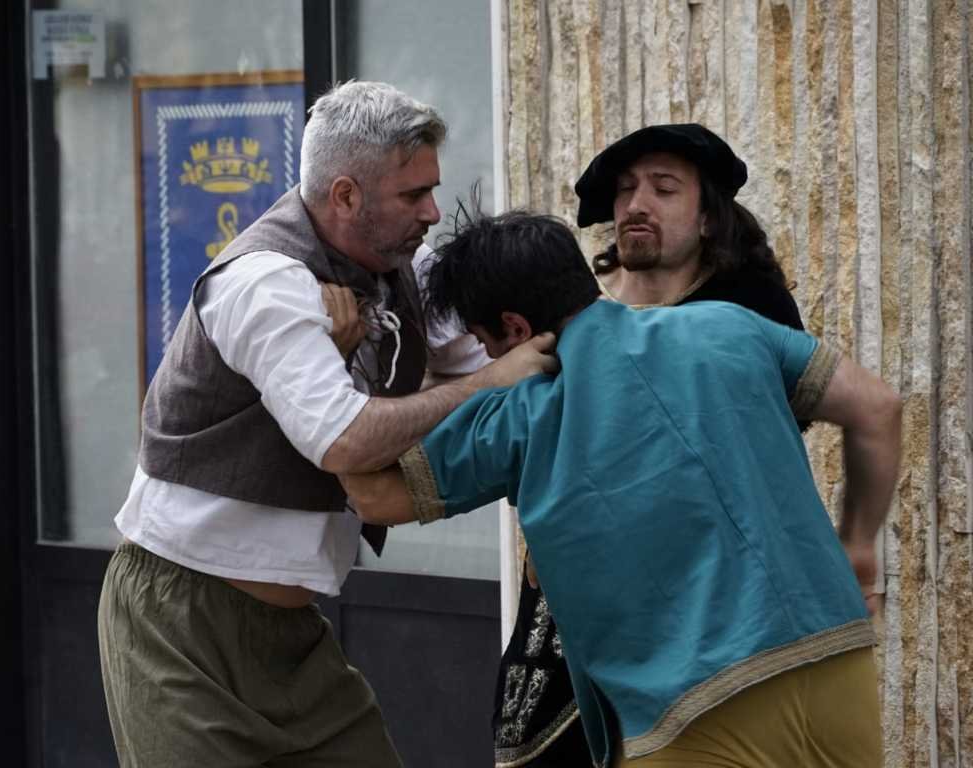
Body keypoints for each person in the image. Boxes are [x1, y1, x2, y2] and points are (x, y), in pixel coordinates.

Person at [96, 81, 557, 768]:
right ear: (345, 196)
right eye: (413, 195)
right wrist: (485, 385)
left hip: (292, 630)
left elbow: (504, 359)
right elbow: (343, 438)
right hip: (180, 619)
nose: (433, 212)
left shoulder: (405, 266)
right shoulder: (264, 283)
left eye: (432, 190)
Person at [341, 210, 902, 768]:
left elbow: (374, 495)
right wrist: (858, 545)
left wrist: (351, 361)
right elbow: (878, 407)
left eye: (484, 344)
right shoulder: (730, 326)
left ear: (515, 330)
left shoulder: (523, 413)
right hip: (836, 658)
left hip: (695, 705)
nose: (486, 359)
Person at [473, 122, 813, 768]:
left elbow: (758, 451)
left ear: (709, 217)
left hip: (700, 597)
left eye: (664, 189)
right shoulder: (581, 310)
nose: (637, 204)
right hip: (572, 595)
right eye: (627, 189)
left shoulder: (747, 310)